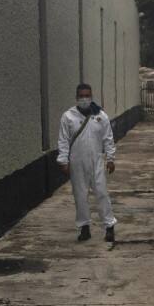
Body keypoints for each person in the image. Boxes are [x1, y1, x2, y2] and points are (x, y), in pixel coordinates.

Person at [57, 83, 117, 242]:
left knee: (102, 193)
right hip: (77, 163)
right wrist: (63, 160)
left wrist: (110, 158)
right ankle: (84, 228)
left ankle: (109, 226)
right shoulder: (68, 117)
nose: (84, 99)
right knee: (80, 196)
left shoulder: (100, 116)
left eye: (87, 96)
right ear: (77, 98)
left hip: (96, 161)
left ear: (91, 97)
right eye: (81, 96)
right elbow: (63, 140)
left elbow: (108, 138)